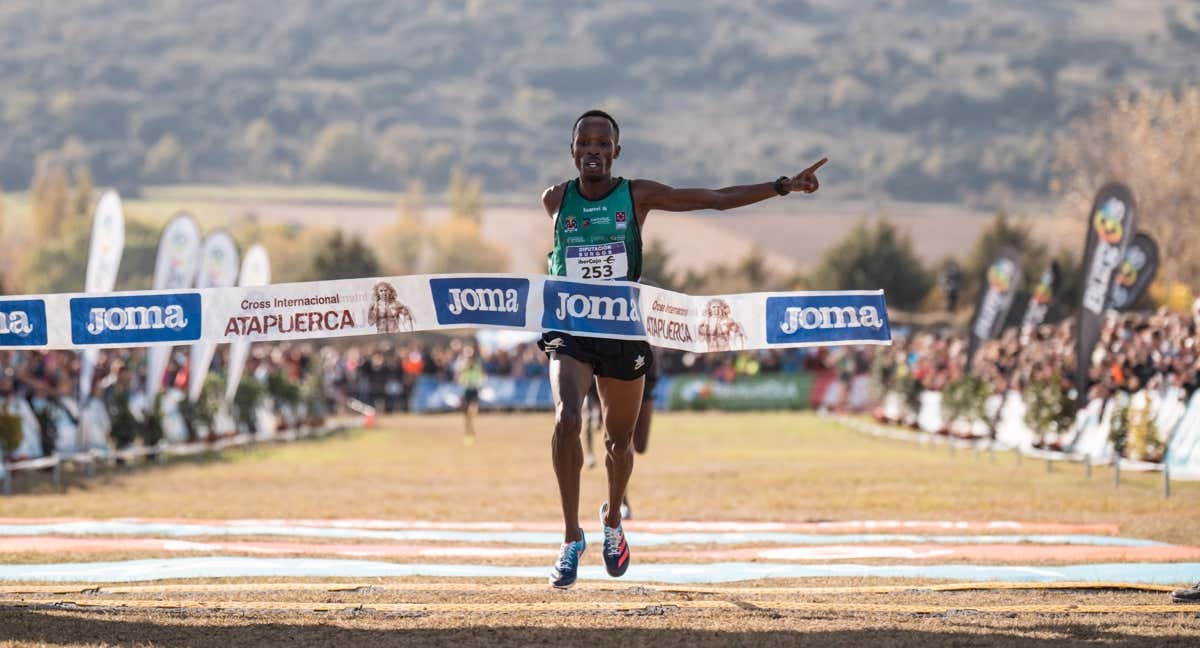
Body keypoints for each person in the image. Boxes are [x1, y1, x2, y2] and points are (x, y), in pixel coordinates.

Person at [540, 109, 826, 588]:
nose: (593, 150)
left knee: (619, 443)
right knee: (567, 418)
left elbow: (713, 200)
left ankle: (612, 521)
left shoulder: (637, 195)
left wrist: (781, 186)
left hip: (624, 330)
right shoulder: (555, 200)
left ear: (616, 151)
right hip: (570, 329)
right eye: (584, 143)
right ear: (572, 151)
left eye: (602, 143)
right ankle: (571, 538)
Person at [455, 347, 484, 446]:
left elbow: (481, 379)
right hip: (466, 393)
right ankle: (469, 434)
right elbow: (459, 380)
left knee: (473, 410)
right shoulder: (463, 369)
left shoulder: (477, 367)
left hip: (474, 392)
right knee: (466, 416)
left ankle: (470, 432)